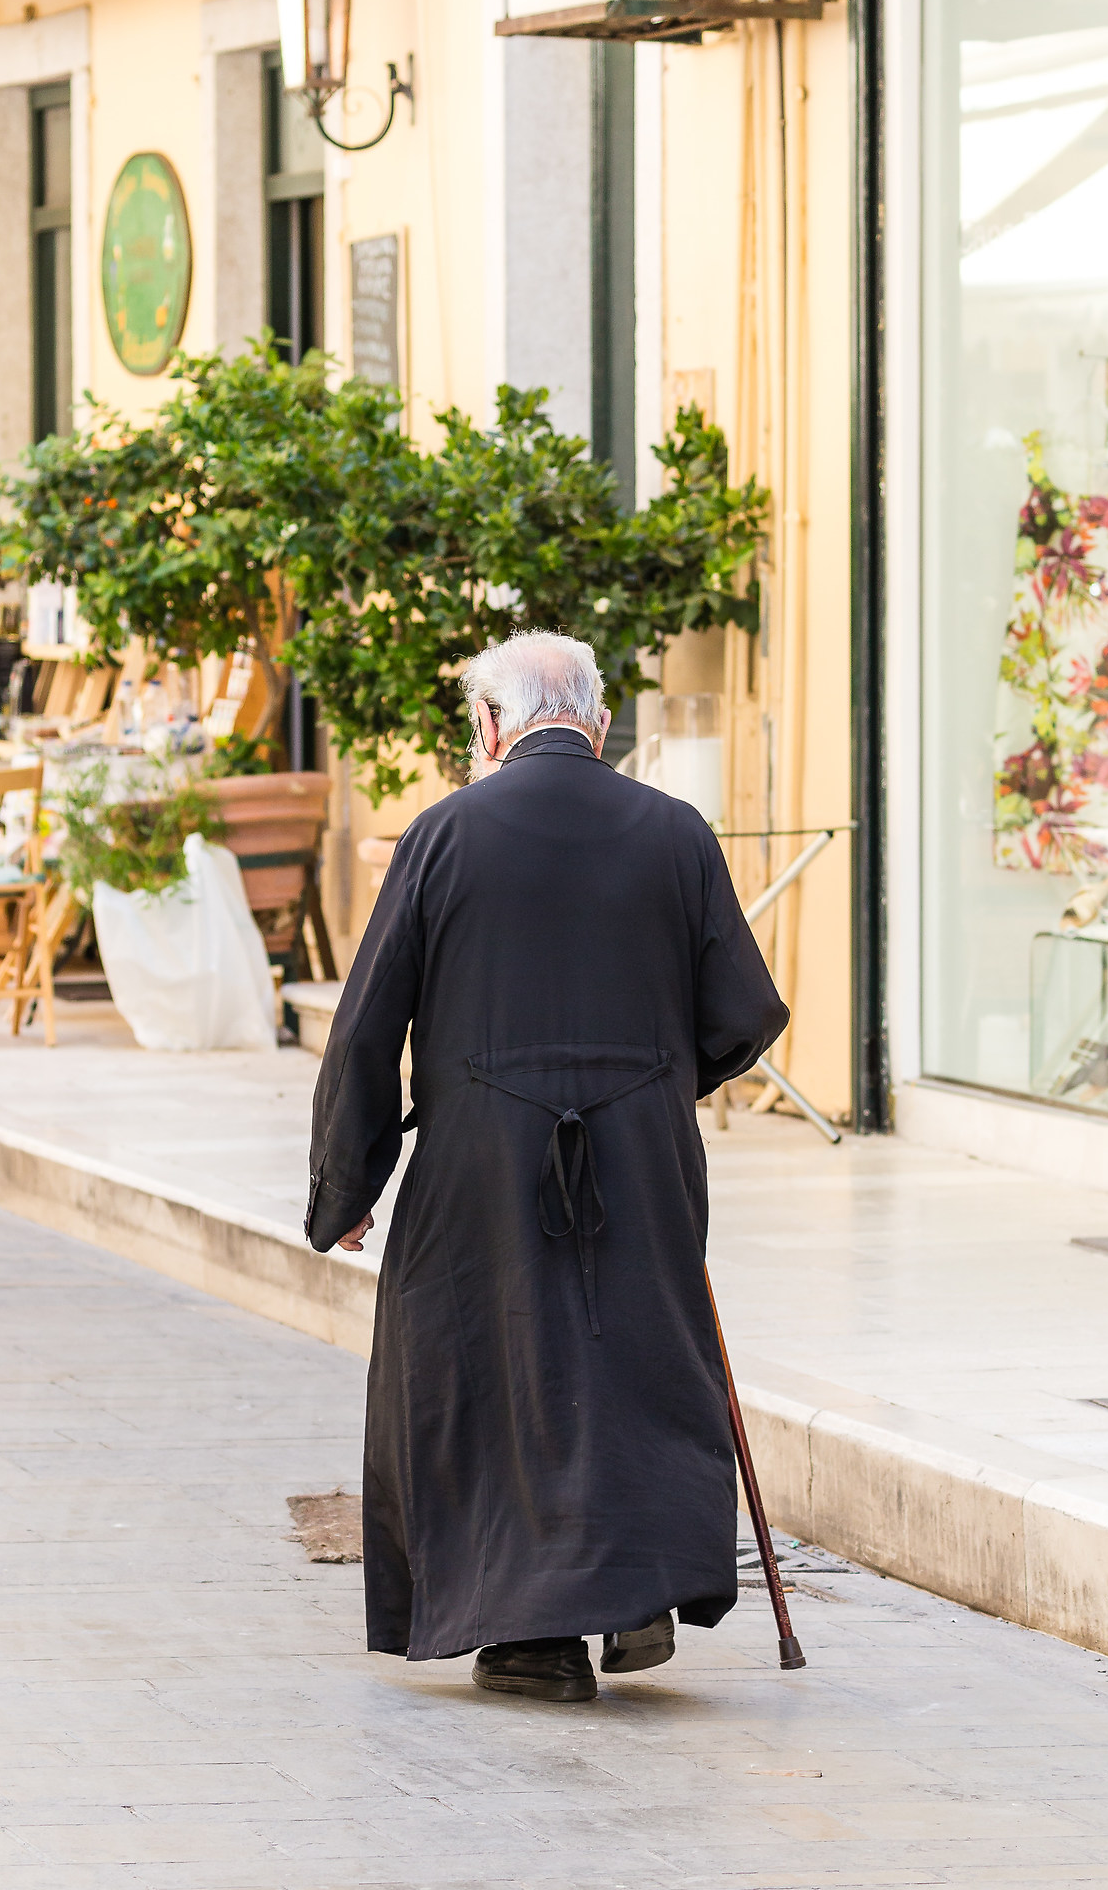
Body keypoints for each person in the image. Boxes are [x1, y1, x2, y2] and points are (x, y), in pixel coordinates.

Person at [306, 630, 789, 1703]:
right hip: (642, 1152)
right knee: (635, 1364)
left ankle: (530, 1639)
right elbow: (746, 1013)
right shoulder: (673, 832)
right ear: (600, 724)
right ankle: (634, 1597)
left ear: (488, 726)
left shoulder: (443, 833)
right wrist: (654, 1088)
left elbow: (364, 1028)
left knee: (488, 1371)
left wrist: (350, 1185)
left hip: (480, 1157)